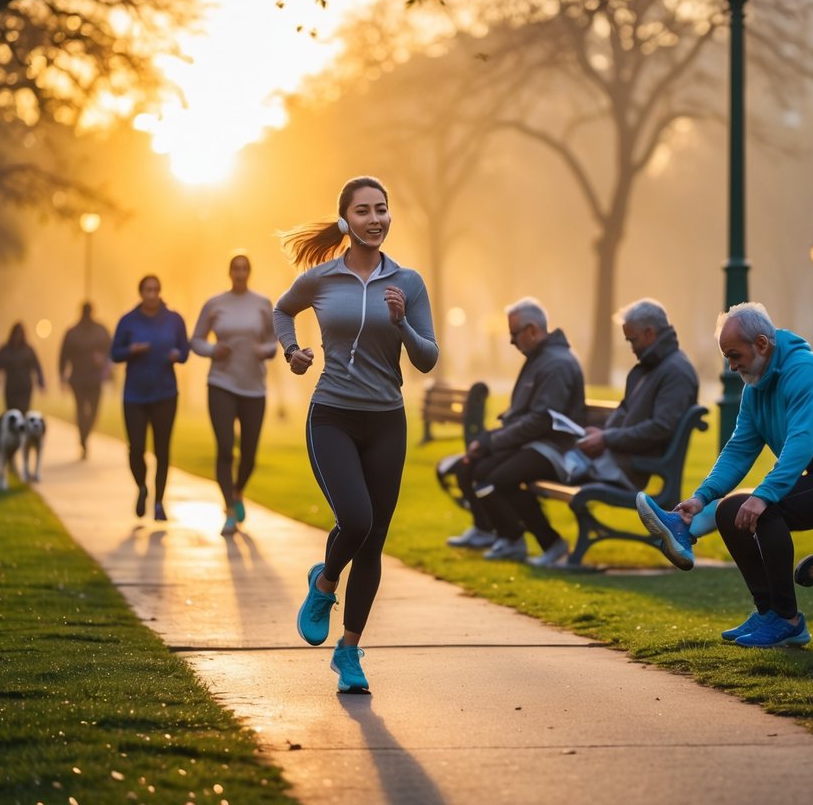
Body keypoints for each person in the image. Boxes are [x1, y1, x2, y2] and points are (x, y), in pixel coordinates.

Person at [637, 302, 813, 648]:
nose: (730, 364)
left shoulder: (805, 373)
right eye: (726, 355)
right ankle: (769, 612)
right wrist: (701, 497)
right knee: (728, 511)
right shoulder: (755, 386)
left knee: (766, 510)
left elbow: (800, 445)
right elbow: (739, 449)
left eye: (734, 354)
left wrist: (764, 495)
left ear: (762, 344)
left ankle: (788, 620)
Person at [276, 176, 438, 694]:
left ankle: (349, 652)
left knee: (373, 544)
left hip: (387, 420)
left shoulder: (408, 283)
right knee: (357, 519)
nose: (375, 219)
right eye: (364, 210)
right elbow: (282, 310)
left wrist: (403, 323)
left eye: (382, 210)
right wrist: (292, 351)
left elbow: (428, 357)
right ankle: (325, 583)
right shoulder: (322, 279)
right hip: (333, 417)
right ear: (346, 220)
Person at [451, 298, 586, 567]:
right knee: (475, 469)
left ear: (533, 330)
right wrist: (491, 440)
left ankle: (551, 543)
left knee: (499, 479)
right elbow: (525, 416)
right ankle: (509, 537)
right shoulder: (540, 358)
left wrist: (492, 441)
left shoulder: (556, 364)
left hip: (555, 449)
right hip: (532, 444)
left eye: (514, 334)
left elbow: (541, 421)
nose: (512, 341)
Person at [568, 298, 699, 491]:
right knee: (541, 462)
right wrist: (602, 434)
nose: (631, 347)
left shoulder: (676, 372)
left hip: (626, 467)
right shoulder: (653, 365)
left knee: (543, 466)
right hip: (614, 460)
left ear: (650, 333)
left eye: (633, 339)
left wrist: (606, 439)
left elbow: (659, 428)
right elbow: (627, 411)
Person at [191, 254, 278, 536]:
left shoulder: (263, 304)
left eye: (244, 269)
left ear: (249, 272)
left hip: (254, 386)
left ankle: (238, 492)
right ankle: (228, 509)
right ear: (229, 272)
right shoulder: (215, 304)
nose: (240, 273)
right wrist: (212, 350)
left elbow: (275, 340)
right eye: (235, 269)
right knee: (226, 447)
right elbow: (196, 340)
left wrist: (265, 350)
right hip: (221, 382)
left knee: (249, 454)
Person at [110, 275, 190, 522]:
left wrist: (177, 355)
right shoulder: (128, 320)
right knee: (136, 448)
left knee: (162, 450)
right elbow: (114, 353)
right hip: (134, 395)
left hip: (165, 393)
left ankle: (159, 502)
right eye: (147, 290)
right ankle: (142, 487)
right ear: (141, 292)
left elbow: (185, 351)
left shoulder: (174, 319)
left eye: (156, 289)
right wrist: (131, 351)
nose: (152, 294)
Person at [58, 302, 112, 459]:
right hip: (79, 379)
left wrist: (103, 361)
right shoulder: (73, 332)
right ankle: (83, 438)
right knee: (82, 411)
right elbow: (64, 354)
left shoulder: (100, 331)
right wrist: (62, 375)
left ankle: (84, 436)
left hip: (94, 378)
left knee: (93, 413)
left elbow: (111, 351)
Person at [0, 322, 45, 412]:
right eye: (16, 334)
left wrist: (41, 382)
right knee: (11, 411)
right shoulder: (5, 350)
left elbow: (37, 366)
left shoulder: (28, 350)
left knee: (24, 410)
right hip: (11, 386)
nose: (17, 337)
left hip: (25, 386)